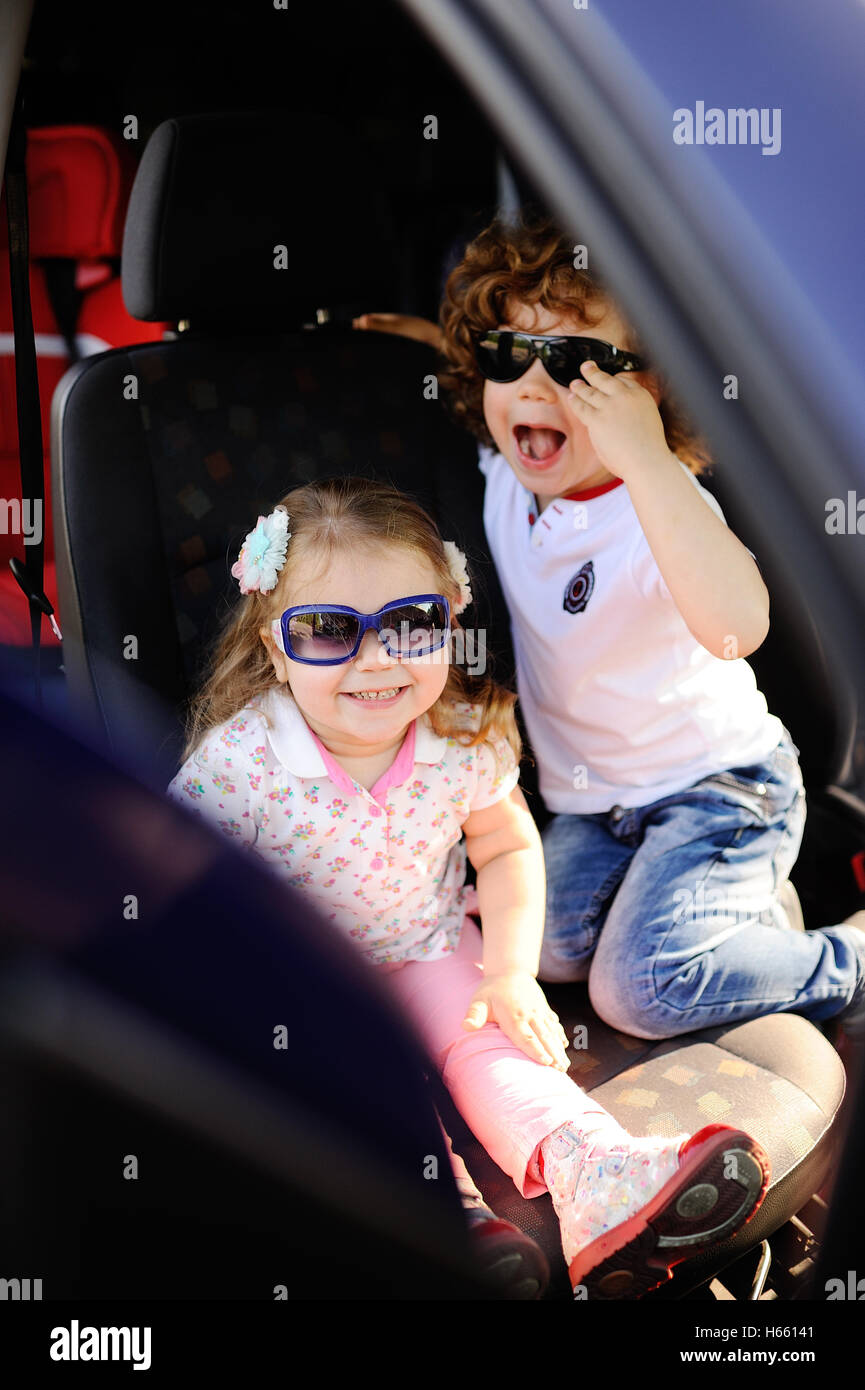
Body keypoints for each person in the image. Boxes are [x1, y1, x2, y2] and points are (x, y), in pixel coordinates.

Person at [166, 476, 770, 1300]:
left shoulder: (460, 735)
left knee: (492, 1048)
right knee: (358, 1074)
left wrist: (509, 972)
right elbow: (181, 895)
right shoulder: (241, 766)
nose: (376, 659)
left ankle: (602, 1179)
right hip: (303, 975)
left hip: (430, 945)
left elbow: (507, 845)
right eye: (325, 632)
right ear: (274, 647)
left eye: (411, 625)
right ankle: (453, 1227)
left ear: (450, 620)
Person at [352, 211, 865, 1045]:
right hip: (594, 804)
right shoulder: (504, 478)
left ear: (650, 391)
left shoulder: (656, 508)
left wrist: (648, 461)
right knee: (546, 953)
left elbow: (738, 626)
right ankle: (729, 908)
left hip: (718, 786)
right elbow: (478, 378)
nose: (533, 385)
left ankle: (845, 956)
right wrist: (432, 341)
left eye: (575, 363)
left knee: (640, 992)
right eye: (506, 355)